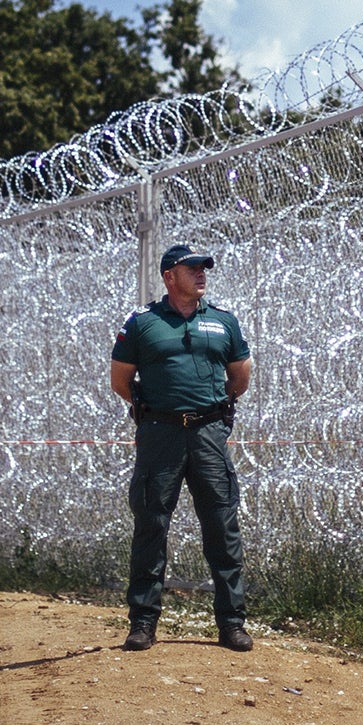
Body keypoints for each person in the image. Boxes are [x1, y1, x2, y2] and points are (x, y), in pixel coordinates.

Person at [109, 242, 254, 652]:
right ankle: (142, 623)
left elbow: (239, 377)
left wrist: (215, 406)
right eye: (192, 268)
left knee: (222, 528)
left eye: (204, 268)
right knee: (151, 526)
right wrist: (151, 409)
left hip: (208, 434)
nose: (202, 273)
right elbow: (121, 380)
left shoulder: (224, 321)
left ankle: (231, 624)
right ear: (169, 276)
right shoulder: (143, 323)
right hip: (161, 435)